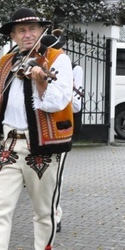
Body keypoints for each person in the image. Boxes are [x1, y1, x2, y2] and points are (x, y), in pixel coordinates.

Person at [0, 7, 74, 250]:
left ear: (41, 31)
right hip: (7, 146)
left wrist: (41, 82)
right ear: (13, 36)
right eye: (21, 31)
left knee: (43, 210)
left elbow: (58, 101)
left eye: (33, 29)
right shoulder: (6, 61)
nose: (28, 35)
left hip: (41, 147)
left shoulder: (58, 59)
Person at [40, 28, 82, 234]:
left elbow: (77, 106)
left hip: (59, 127)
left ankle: (55, 213)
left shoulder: (73, 68)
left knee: (56, 175)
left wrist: (70, 90)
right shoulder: (36, 65)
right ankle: (43, 214)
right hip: (37, 129)